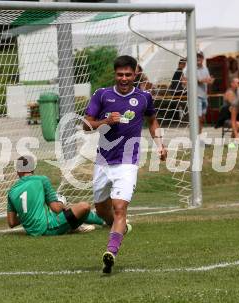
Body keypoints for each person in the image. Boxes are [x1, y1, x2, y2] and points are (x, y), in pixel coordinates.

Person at [83, 55, 167, 274]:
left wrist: (160, 144)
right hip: (102, 161)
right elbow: (86, 125)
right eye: (120, 74)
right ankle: (120, 228)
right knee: (102, 210)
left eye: (128, 74)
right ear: (115, 74)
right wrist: (105, 121)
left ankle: (111, 252)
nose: (124, 78)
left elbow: (153, 121)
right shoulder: (102, 95)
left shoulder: (144, 97)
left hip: (128, 162)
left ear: (135, 74)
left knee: (120, 208)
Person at [7, 155, 104, 236]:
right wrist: (62, 204)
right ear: (33, 168)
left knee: (67, 211)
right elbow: (56, 208)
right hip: (47, 228)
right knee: (84, 206)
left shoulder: (12, 191)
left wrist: (27, 215)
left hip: (32, 231)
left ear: (18, 171)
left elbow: (11, 223)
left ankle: (89, 223)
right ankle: (103, 221)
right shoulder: (41, 180)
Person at [182, 51, 214, 134]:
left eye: (200, 56)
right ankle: (195, 139)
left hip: (204, 96)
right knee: (197, 118)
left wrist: (210, 81)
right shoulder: (189, 68)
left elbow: (208, 80)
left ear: (203, 58)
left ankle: (198, 136)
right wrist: (202, 80)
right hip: (195, 96)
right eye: (196, 56)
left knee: (202, 119)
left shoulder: (205, 68)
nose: (198, 58)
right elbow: (185, 81)